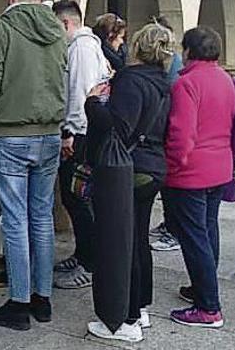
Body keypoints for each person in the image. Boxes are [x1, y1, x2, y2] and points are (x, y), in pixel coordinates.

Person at [0, 0, 67, 331]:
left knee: (15, 220)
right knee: (42, 217)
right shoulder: (58, 31)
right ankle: (42, 299)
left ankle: (18, 303)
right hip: (50, 132)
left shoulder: (2, 28)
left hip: (12, 133)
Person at [83, 23, 173, 341]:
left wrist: (91, 103)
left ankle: (124, 320)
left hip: (130, 169)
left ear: (136, 47)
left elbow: (118, 128)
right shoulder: (162, 81)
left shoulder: (131, 80)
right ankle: (139, 309)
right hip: (153, 167)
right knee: (136, 242)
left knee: (119, 245)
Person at [162, 26, 235, 329]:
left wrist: (170, 165)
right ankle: (202, 287)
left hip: (191, 171)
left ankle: (208, 307)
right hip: (219, 166)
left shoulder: (187, 83)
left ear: (189, 51)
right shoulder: (225, 78)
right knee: (207, 230)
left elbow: (182, 134)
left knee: (193, 237)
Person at [51, 0, 111, 290]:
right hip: (81, 132)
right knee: (73, 199)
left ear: (65, 24)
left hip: (82, 136)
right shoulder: (80, 46)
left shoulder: (82, 48)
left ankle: (91, 263)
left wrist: (70, 134)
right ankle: (83, 254)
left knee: (79, 198)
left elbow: (82, 95)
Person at [148, 15, 184, 252]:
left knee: (171, 187)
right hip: (163, 131)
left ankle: (173, 230)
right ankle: (169, 225)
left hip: (166, 131)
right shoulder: (170, 62)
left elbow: (168, 95)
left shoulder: (173, 63)